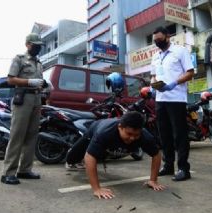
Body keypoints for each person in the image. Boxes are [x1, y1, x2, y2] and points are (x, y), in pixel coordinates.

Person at [66, 111, 166, 199]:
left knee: (104, 151)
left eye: (136, 135)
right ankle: (73, 152)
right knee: (71, 159)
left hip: (110, 142)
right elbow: (89, 157)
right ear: (120, 127)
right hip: (94, 129)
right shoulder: (104, 132)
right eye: (129, 134)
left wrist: (153, 180)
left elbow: (156, 155)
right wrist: (97, 189)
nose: (132, 138)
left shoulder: (145, 137)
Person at [150, 26, 195, 181]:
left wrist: (174, 83)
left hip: (176, 99)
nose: (157, 43)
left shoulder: (180, 51)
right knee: (164, 135)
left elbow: (190, 72)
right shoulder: (155, 56)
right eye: (155, 41)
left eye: (160, 39)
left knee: (180, 135)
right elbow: (153, 76)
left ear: (168, 36)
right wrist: (153, 85)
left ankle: (183, 168)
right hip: (160, 100)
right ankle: (168, 165)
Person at [0, 33, 45, 185]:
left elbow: (38, 82)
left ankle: (25, 169)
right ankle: (8, 172)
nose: (38, 47)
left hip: (37, 99)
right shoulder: (19, 59)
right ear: (27, 44)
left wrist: (45, 85)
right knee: (17, 135)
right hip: (23, 98)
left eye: (39, 45)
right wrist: (28, 81)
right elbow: (10, 79)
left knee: (32, 136)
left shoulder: (39, 63)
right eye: (35, 45)